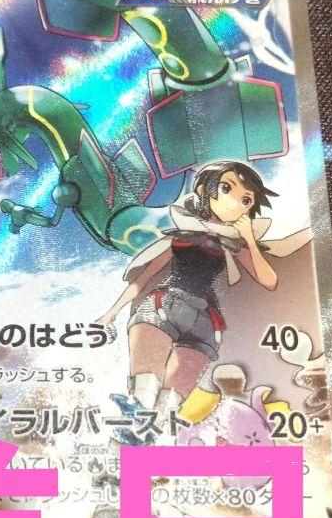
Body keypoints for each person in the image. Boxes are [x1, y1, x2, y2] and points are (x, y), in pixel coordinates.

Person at [96, 160, 309, 441]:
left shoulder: (235, 243)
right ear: (203, 191)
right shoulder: (181, 236)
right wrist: (111, 313)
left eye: (246, 200)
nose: (235, 202)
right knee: (143, 395)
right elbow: (144, 277)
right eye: (226, 189)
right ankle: (121, 455)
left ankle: (135, 458)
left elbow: (268, 280)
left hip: (204, 323)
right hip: (163, 308)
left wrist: (249, 239)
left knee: (166, 410)